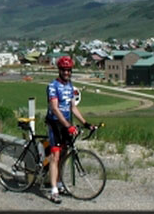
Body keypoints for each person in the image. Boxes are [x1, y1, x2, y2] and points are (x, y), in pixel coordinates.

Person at [45, 55, 94, 204]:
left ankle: (59, 184)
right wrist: (68, 126)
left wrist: (86, 123)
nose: (66, 72)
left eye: (69, 70)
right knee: (55, 156)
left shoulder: (70, 86)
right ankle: (54, 191)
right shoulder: (52, 86)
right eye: (64, 70)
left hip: (65, 124)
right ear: (59, 70)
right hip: (55, 124)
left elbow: (73, 107)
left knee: (64, 154)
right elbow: (54, 108)